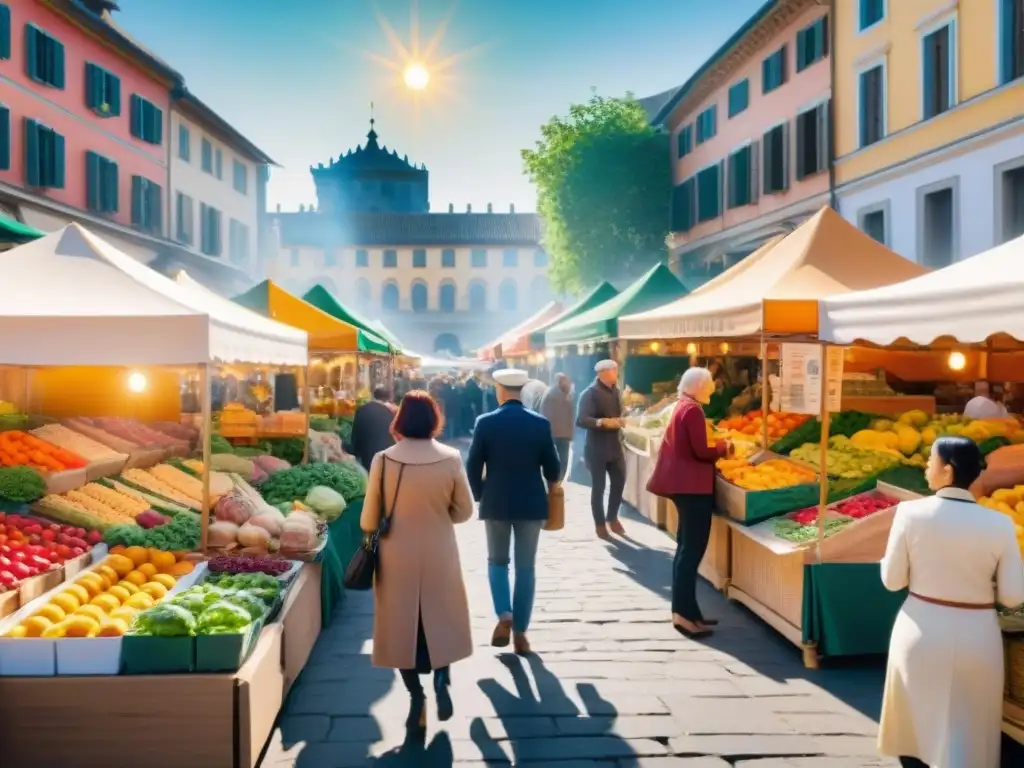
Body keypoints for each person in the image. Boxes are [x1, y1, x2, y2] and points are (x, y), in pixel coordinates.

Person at [878, 436, 1024, 768]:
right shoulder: (1000, 523)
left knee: (916, 733)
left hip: (920, 627)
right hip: (977, 634)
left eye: (930, 461)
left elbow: (892, 580)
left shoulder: (909, 513)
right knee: (969, 738)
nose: (926, 467)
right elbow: (1014, 596)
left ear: (947, 470)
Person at [360, 391, 475, 731]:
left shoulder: (383, 460)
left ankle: (416, 698)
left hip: (397, 555)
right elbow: (465, 511)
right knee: (441, 618)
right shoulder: (451, 457)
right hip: (439, 550)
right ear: (434, 420)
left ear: (399, 421)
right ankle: (442, 678)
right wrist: (440, 513)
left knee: (400, 627)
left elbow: (368, 520)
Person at [466, 368, 561, 655]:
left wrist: (481, 495)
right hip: (531, 503)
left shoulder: (485, 422)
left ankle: (504, 615)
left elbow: (472, 466)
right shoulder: (540, 424)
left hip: (495, 502)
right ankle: (521, 633)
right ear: (522, 390)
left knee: (497, 562)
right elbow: (554, 468)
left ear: (499, 389)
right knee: (526, 568)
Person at [647, 368, 730, 638]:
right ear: (697, 387)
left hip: (684, 487)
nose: (712, 391)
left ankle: (688, 612)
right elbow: (701, 451)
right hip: (692, 488)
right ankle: (684, 615)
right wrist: (724, 447)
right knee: (690, 552)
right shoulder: (692, 410)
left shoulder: (681, 406)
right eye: (708, 386)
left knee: (685, 550)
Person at [575, 359, 627, 539]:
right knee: (599, 487)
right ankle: (599, 523)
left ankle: (612, 517)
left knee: (619, 482)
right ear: (604, 373)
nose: (617, 373)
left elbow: (619, 413)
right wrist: (601, 422)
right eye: (614, 370)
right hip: (596, 449)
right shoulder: (589, 393)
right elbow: (581, 419)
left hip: (615, 446)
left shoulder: (617, 391)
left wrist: (622, 420)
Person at [350, 387, 397, 470]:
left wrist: (355, 451)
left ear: (373, 396)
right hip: (386, 457)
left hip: (367, 455)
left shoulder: (362, 409)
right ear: (388, 399)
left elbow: (355, 435)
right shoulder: (390, 414)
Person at [540, 373, 575, 482]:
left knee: (561, 462)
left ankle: (556, 483)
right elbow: (545, 415)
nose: (568, 383)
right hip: (555, 435)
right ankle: (554, 484)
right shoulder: (552, 395)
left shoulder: (566, 396)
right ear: (559, 381)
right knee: (557, 462)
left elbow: (571, 416)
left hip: (562, 435)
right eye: (565, 381)